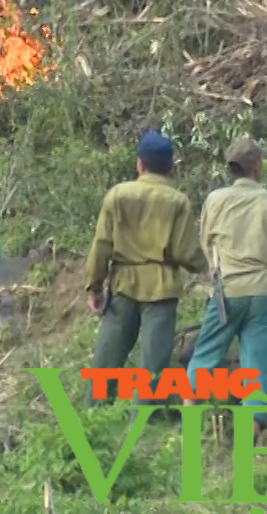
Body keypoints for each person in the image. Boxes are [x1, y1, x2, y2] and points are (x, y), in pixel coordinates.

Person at [183, 136, 267, 434]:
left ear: (231, 168)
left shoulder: (215, 200)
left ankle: (190, 427)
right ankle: (249, 436)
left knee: (204, 356)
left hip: (226, 292)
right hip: (266, 292)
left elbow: (206, 243)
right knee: (257, 364)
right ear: (257, 167)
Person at [83, 131, 208, 406]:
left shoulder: (118, 195)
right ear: (171, 166)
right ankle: (145, 423)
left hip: (122, 284)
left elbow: (102, 245)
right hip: (161, 287)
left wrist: (95, 287)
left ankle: (93, 417)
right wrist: (206, 265)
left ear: (140, 164)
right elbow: (185, 252)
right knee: (154, 364)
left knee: (106, 360)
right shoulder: (178, 201)